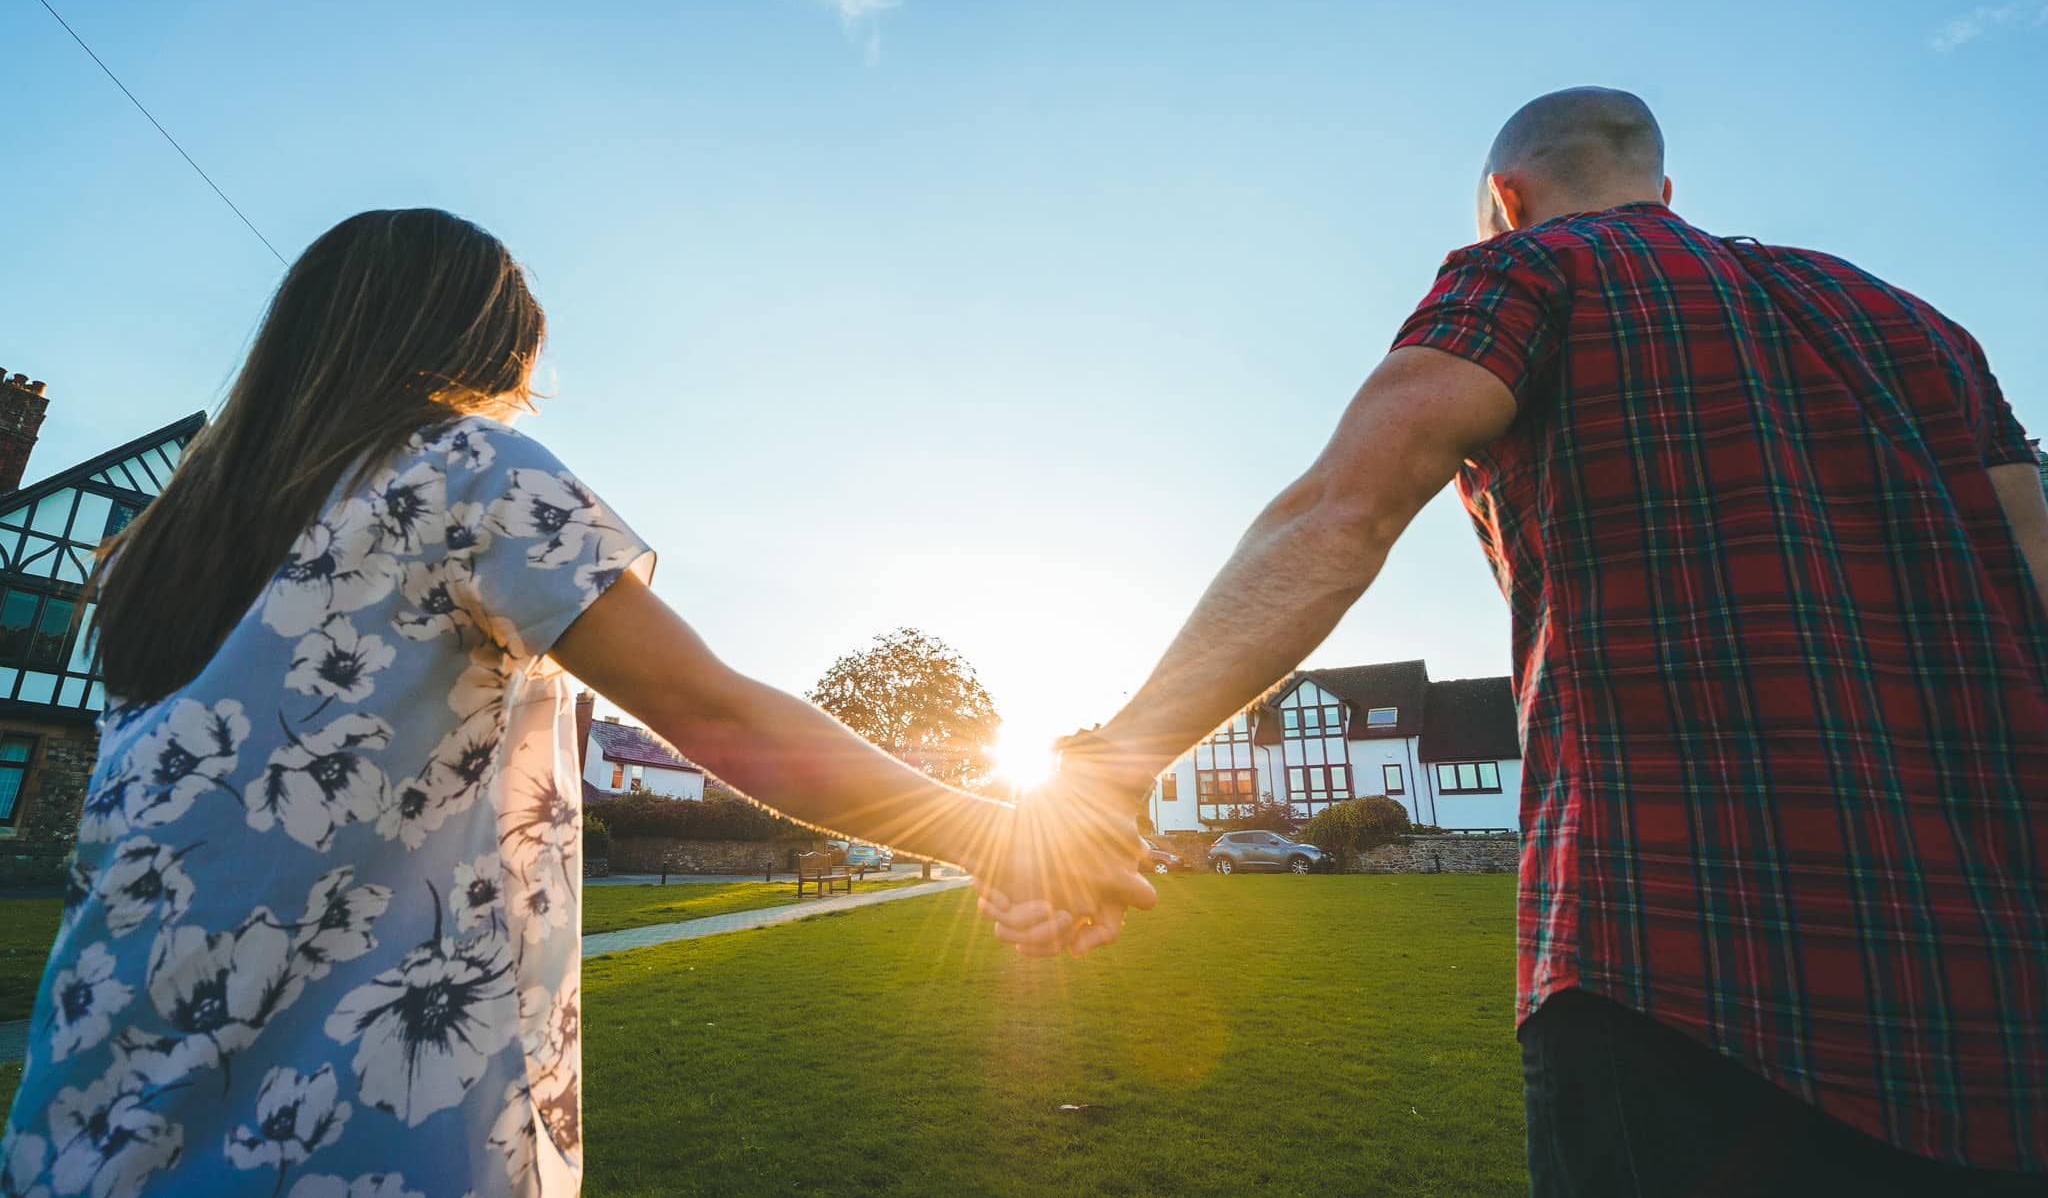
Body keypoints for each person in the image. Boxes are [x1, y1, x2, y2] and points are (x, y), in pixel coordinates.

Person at [980, 88, 2048, 1195]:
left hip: (1678, 950)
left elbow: (1339, 514)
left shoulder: (1533, 269)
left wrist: (1102, 775)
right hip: (1997, 979)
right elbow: (2031, 574)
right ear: (1664, 190)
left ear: (1504, 197)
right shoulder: (1922, 329)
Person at [0, 208, 1148, 1198]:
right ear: (474, 344)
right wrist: (1004, 833)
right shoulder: (461, 470)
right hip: (346, 1124)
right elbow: (718, 712)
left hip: (89, 1117)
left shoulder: (159, 545)